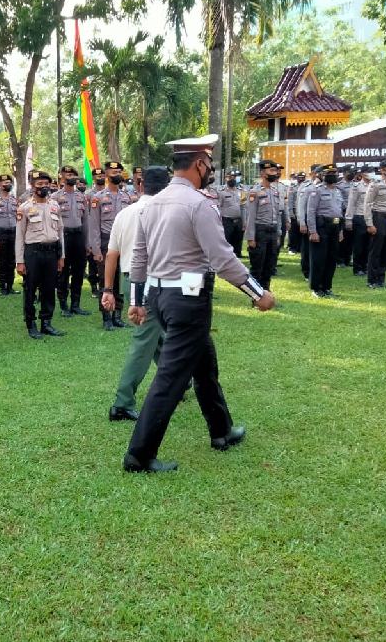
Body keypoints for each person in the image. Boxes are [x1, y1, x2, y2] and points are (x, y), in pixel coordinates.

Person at [124, 135, 275, 473]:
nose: (210, 170)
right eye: (209, 164)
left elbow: (139, 256)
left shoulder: (151, 203)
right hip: (188, 301)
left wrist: (136, 301)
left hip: (162, 298)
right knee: (170, 378)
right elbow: (222, 259)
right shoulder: (198, 204)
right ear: (199, 164)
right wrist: (257, 293)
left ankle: (221, 431)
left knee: (204, 365)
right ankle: (139, 454)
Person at [104, 166, 170, 422]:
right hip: (154, 281)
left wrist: (108, 289)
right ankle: (121, 402)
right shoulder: (165, 212)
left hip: (129, 279)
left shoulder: (125, 213)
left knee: (156, 335)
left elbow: (112, 254)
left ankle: (180, 381)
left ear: (141, 186)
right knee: (145, 339)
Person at [15, 170, 66, 339]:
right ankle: (31, 324)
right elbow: (19, 236)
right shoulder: (25, 208)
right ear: (32, 186)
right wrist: (20, 261)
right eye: (40, 184)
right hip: (33, 254)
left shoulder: (55, 206)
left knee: (49, 289)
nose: (44, 187)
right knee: (30, 290)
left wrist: (61, 256)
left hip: (51, 253)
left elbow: (60, 231)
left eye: (46, 184)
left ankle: (47, 323)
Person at [88, 161, 135, 330]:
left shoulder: (127, 197)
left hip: (124, 242)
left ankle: (118, 315)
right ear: (106, 174)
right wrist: (95, 249)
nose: (117, 174)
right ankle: (106, 317)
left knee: (121, 279)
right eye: (113, 171)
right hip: (105, 242)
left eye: (119, 172)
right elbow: (93, 226)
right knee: (105, 280)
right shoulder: (97, 198)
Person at [51, 165, 90, 316]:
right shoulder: (54, 197)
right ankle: (63, 306)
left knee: (79, 271)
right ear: (61, 177)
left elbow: (86, 220)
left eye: (73, 174)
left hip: (78, 236)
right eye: (67, 174)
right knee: (63, 272)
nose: (71, 177)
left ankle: (76, 304)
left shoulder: (82, 197)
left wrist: (87, 243)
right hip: (63, 236)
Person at [306, 164, 344, 298]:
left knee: (331, 259)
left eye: (334, 173)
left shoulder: (338, 191)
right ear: (322, 175)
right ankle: (316, 288)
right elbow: (310, 212)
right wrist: (313, 231)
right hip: (321, 227)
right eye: (329, 173)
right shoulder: (317, 190)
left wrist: (340, 231)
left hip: (335, 226)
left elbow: (339, 212)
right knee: (318, 259)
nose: (332, 176)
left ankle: (327, 287)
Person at [244, 160, 283, 291]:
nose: (275, 173)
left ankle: (266, 292)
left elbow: (277, 215)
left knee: (269, 265)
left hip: (272, 231)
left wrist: (278, 234)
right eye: (271, 171)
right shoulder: (254, 192)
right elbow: (250, 216)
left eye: (275, 171)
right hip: (260, 232)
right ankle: (256, 295)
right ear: (263, 173)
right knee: (257, 266)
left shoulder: (275, 192)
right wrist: (250, 238)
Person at [363, 162, 386, 289]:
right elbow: (367, 204)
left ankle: (381, 278)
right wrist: (369, 224)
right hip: (379, 217)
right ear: (383, 170)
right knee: (376, 250)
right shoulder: (375, 184)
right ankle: (372, 280)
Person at [0, 174, 20, 295]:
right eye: (4, 183)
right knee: (1, 261)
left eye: (9, 182)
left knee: (12, 261)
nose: (7, 184)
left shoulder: (15, 201)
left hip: (13, 233)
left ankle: (10, 286)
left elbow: (18, 218)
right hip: (0, 233)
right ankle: (3, 287)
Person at [344, 167, 371, 276]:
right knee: (359, 244)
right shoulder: (356, 186)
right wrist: (348, 219)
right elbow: (351, 203)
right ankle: (358, 268)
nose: (370, 174)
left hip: (372, 217)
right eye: (368, 172)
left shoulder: (376, 185)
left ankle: (365, 266)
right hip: (359, 217)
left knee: (369, 245)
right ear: (362, 174)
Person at [85, 166, 106, 297]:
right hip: (93, 229)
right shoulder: (89, 195)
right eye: (97, 176)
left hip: (106, 232)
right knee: (93, 262)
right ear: (93, 178)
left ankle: (106, 286)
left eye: (102, 176)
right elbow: (88, 217)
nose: (100, 178)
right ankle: (94, 287)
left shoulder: (110, 192)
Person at [216, 168, 244, 257]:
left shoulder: (241, 191)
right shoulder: (221, 191)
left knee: (238, 239)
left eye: (235, 177)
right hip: (227, 220)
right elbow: (218, 207)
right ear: (226, 178)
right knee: (227, 240)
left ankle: (237, 254)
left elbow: (243, 207)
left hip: (239, 220)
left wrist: (245, 221)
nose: (233, 179)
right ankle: (226, 255)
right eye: (230, 177)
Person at [286, 171, 305, 255]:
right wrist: (290, 212)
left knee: (301, 229)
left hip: (302, 211)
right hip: (294, 209)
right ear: (297, 178)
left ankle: (300, 247)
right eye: (300, 177)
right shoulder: (292, 187)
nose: (301, 179)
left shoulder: (306, 187)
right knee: (293, 231)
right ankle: (292, 247)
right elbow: (290, 201)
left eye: (303, 177)